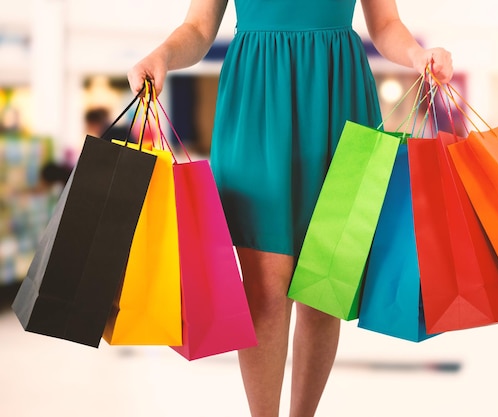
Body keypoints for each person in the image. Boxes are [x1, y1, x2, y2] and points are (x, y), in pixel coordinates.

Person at [127, 1, 454, 416]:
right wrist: (164, 55)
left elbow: (386, 23)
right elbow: (198, 26)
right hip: (256, 101)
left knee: (324, 287)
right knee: (265, 285)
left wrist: (416, 54)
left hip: (338, 98)